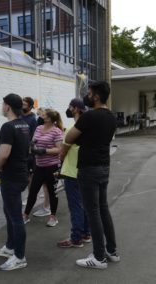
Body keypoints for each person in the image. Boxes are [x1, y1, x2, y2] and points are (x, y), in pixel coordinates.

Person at [65, 81, 120, 269]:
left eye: (89, 93)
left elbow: (69, 137)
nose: (87, 96)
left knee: (93, 212)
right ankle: (111, 251)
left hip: (89, 169)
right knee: (103, 209)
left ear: (96, 96)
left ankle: (98, 257)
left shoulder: (89, 117)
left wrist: (81, 136)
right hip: (104, 167)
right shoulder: (111, 117)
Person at [0, 93, 30, 271]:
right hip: (20, 175)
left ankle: (19, 256)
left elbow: (4, 154)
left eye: (3, 104)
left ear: (8, 107)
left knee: (16, 217)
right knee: (9, 212)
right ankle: (10, 246)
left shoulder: (8, 127)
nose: (1, 107)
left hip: (11, 177)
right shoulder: (24, 125)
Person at [57, 98, 91, 248]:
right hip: (86, 172)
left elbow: (63, 152)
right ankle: (86, 233)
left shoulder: (73, 130)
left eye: (70, 107)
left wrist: (60, 162)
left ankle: (76, 238)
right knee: (85, 205)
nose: (68, 109)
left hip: (72, 173)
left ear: (76, 109)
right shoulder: (90, 129)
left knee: (75, 206)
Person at [23, 108, 63, 227]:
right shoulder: (39, 128)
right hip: (39, 166)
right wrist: (31, 145)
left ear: (49, 118)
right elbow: (34, 141)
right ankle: (25, 215)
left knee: (52, 192)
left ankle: (53, 216)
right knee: (33, 191)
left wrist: (44, 150)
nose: (40, 115)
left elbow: (59, 149)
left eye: (43, 114)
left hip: (52, 166)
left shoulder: (56, 131)